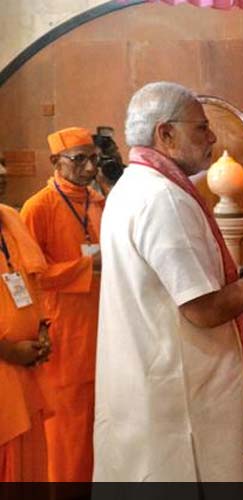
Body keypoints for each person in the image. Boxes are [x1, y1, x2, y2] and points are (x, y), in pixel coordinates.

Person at [94, 81, 243, 482]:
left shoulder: (133, 186)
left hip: (147, 390)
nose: (212, 137)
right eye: (201, 127)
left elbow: (179, 286)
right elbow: (205, 308)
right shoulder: (162, 198)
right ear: (165, 133)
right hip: (179, 407)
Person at [20, 127, 103, 482]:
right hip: (65, 331)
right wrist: (87, 266)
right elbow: (31, 275)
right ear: (56, 162)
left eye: (94, 159)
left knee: (101, 417)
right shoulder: (38, 207)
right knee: (68, 423)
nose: (88, 168)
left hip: (104, 323)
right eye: (79, 159)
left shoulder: (99, 201)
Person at [0, 203, 51, 481]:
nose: (3, 173)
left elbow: (34, 282)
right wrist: (8, 351)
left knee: (29, 469)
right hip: (7, 367)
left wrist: (42, 328)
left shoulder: (10, 217)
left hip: (24, 375)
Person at [91, 126, 125, 197]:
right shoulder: (86, 185)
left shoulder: (132, 176)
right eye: (102, 158)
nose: (109, 162)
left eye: (113, 151)